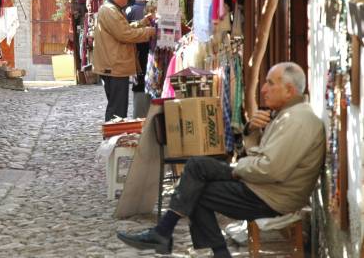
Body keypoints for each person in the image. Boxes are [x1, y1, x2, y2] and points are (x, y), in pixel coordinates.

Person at [117, 62, 325, 257]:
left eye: (270, 83)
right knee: (195, 173)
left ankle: (166, 234)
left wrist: (237, 168)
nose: (263, 89)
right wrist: (251, 131)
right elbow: (260, 155)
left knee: (194, 186)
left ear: (289, 90)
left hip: (273, 197)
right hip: (265, 187)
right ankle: (167, 234)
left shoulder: (297, 120)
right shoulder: (287, 115)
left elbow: (270, 169)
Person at [93, 0, 155, 121]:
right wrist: (150, 32)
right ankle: (113, 140)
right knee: (117, 110)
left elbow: (123, 29)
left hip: (114, 65)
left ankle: (113, 138)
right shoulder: (110, 11)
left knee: (117, 107)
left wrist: (141, 23)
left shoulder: (112, 9)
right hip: (114, 67)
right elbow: (125, 34)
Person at [125, 0, 152, 118]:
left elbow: (127, 29)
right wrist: (147, 31)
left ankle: (139, 120)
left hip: (139, 63)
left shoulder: (129, 10)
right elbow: (125, 32)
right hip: (143, 59)